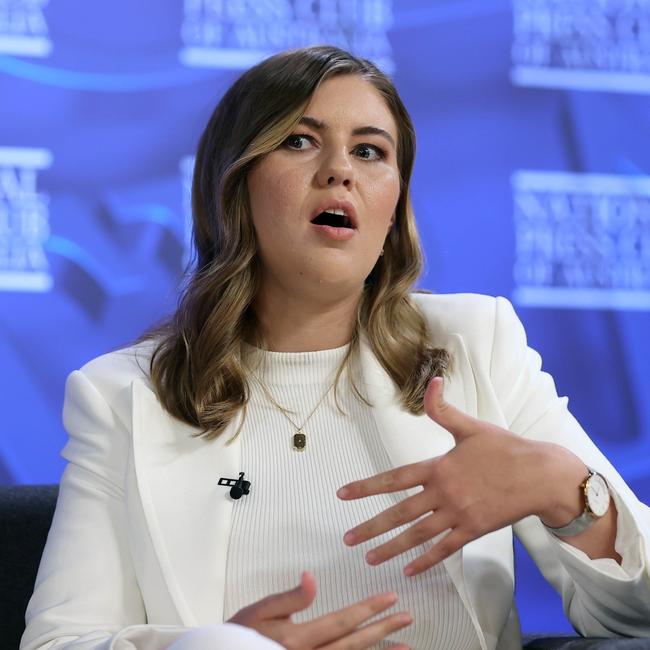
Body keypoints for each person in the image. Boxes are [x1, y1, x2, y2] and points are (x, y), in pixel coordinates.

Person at [20, 45, 650, 650]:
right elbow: (60, 641)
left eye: (370, 151)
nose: (340, 170)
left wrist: (568, 491)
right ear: (233, 184)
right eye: (299, 141)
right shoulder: (123, 396)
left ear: (394, 203)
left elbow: (638, 618)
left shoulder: (474, 344)